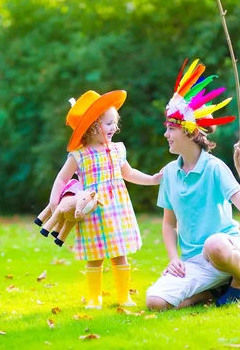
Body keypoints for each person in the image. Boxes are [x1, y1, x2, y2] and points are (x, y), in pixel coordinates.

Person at [145, 59, 240, 310]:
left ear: (189, 131)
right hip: (194, 262)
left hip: (228, 250)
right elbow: (168, 224)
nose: (166, 135)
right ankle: (211, 293)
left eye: (171, 128)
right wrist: (174, 259)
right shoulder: (170, 174)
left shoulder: (215, 168)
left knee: (214, 244)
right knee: (155, 302)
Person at [49, 89, 162, 310]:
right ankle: (94, 298)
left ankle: (123, 296)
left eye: (115, 123)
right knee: (95, 255)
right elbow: (62, 177)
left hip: (117, 208)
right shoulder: (79, 155)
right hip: (92, 210)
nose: (115, 128)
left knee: (120, 253)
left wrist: (152, 179)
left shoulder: (117, 149)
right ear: (92, 126)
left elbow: (127, 173)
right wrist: (55, 203)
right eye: (109, 123)